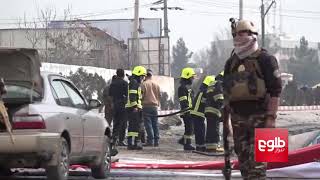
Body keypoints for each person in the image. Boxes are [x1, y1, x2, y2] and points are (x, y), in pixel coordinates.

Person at [223, 19, 282, 179]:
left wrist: (271, 119)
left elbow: (276, 90)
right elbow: (227, 92)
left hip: (262, 118)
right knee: (244, 167)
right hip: (238, 121)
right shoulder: (231, 62)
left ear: (252, 35)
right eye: (237, 34)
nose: (239, 37)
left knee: (258, 169)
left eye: (243, 33)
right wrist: (226, 123)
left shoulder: (266, 59)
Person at [190, 75, 216, 152]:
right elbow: (204, 102)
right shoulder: (205, 92)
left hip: (198, 113)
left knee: (200, 130)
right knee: (200, 130)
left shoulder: (202, 90)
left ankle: (200, 146)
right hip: (197, 113)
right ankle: (200, 147)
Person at [125, 66, 147, 150]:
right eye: (142, 76)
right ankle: (134, 143)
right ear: (138, 75)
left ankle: (131, 143)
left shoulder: (133, 82)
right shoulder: (134, 83)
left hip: (133, 107)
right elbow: (132, 95)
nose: (143, 78)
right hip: (133, 108)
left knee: (132, 126)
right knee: (135, 126)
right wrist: (135, 106)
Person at [204, 72, 225, 153]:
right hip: (214, 109)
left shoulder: (212, 83)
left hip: (208, 109)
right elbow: (219, 97)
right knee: (215, 128)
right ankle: (214, 147)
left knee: (210, 128)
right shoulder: (219, 84)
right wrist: (223, 104)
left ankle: (209, 147)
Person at [177, 67, 196, 151]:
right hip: (186, 112)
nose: (193, 79)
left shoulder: (189, 88)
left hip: (191, 111)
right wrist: (186, 111)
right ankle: (187, 144)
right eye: (192, 77)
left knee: (191, 128)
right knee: (189, 128)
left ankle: (183, 141)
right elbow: (183, 101)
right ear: (187, 76)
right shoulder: (182, 88)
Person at [109, 69, 128, 147]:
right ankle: (121, 140)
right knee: (123, 123)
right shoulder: (125, 83)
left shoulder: (113, 84)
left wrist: (112, 104)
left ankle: (114, 139)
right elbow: (126, 95)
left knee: (116, 122)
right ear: (123, 75)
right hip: (122, 105)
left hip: (115, 104)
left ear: (116, 74)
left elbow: (110, 95)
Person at [141, 69, 161, 147]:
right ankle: (156, 141)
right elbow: (159, 96)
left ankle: (150, 140)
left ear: (145, 76)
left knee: (148, 124)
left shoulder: (143, 84)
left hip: (146, 106)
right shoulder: (156, 85)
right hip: (155, 107)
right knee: (155, 124)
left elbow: (141, 96)